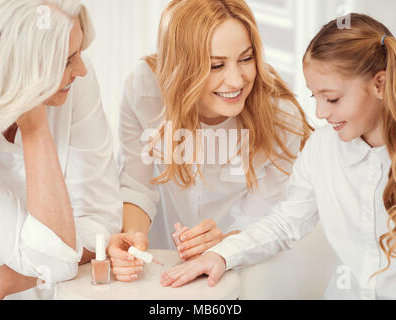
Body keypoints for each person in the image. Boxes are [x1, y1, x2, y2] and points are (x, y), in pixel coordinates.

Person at [160, 13, 396, 300]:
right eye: (315, 97)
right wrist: (221, 255)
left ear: (379, 85)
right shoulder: (322, 148)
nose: (320, 113)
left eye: (332, 99)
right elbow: (286, 222)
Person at [107, 0, 312, 282]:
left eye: (246, 58)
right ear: (182, 68)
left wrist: (224, 242)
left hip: (240, 268)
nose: (237, 80)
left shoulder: (280, 118)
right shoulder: (145, 89)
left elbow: (266, 218)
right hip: (158, 264)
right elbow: (137, 185)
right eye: (216, 65)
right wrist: (132, 239)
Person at [0, 0, 122, 299]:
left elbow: (101, 224)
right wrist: (32, 119)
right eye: (65, 61)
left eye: (77, 55)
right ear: (11, 67)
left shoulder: (77, 82)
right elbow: (56, 259)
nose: (80, 70)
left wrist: (1, 281)